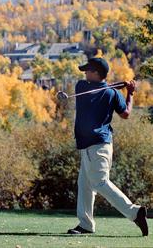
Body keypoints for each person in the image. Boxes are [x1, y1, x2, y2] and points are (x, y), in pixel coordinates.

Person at [67, 57, 149, 236]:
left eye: (88, 70)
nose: (85, 73)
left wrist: (120, 88)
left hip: (97, 146)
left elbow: (123, 112)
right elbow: (126, 112)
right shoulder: (109, 93)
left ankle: (135, 212)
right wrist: (130, 93)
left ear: (96, 73)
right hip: (94, 146)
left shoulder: (84, 87)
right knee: (85, 184)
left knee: (100, 182)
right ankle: (86, 225)